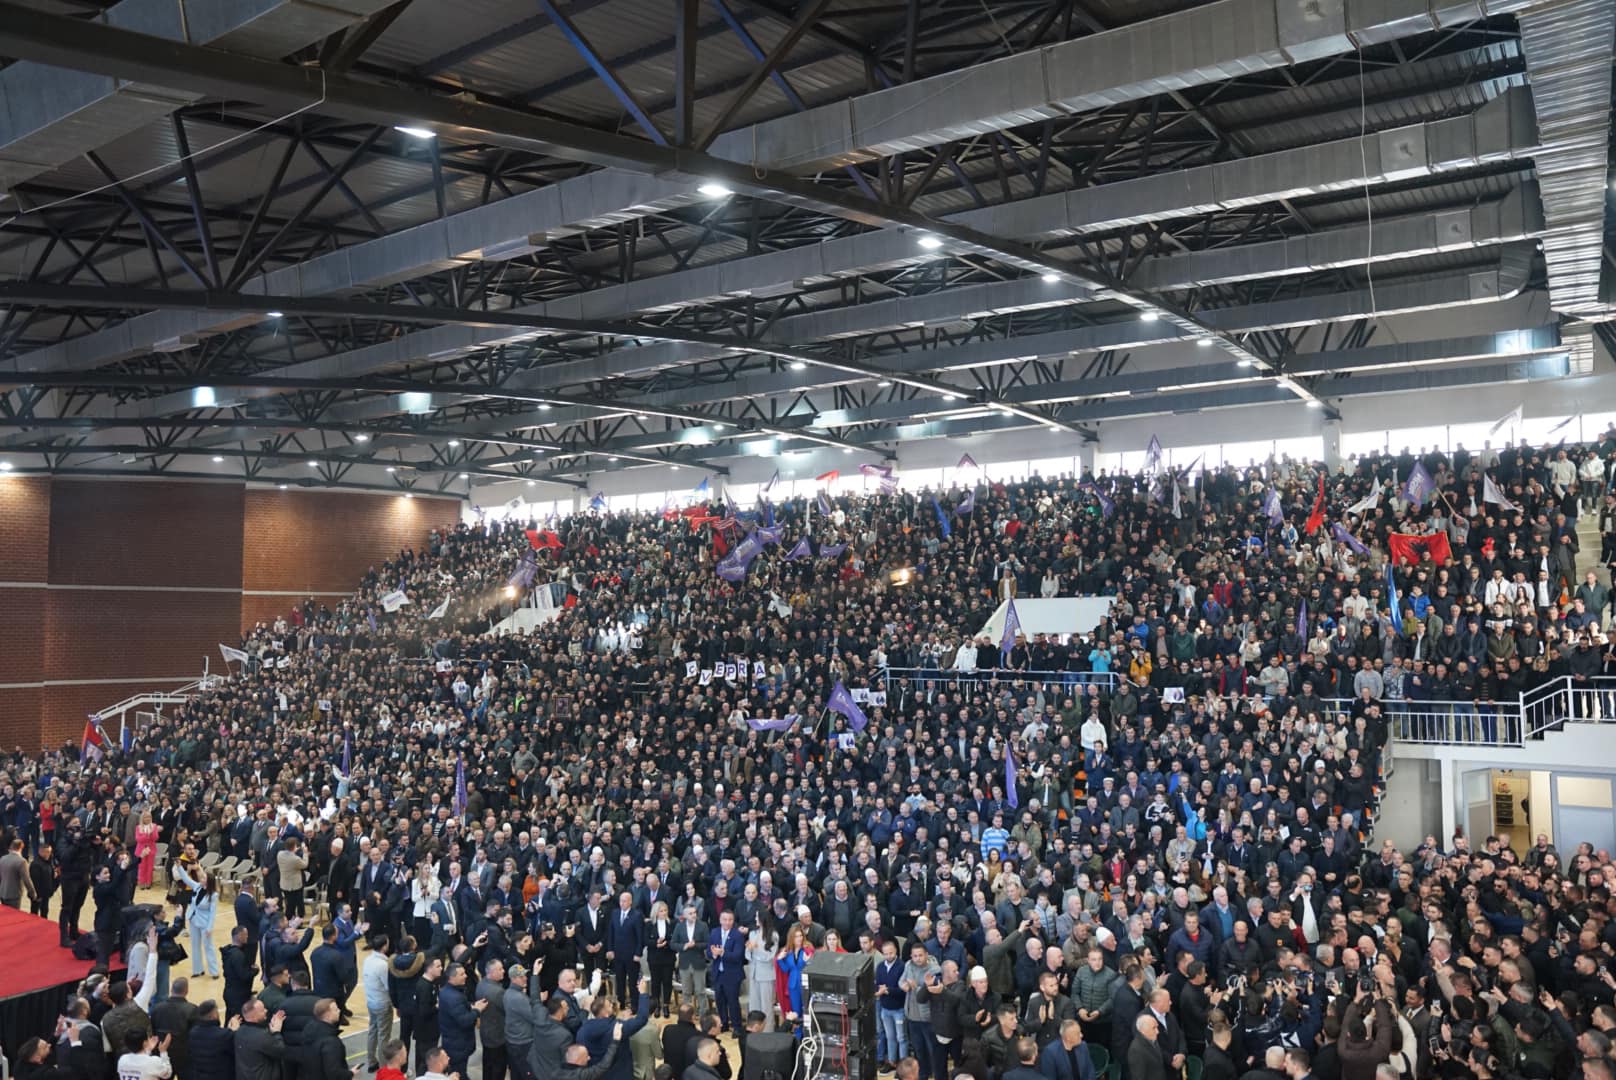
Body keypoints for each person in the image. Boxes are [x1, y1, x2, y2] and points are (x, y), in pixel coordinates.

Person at [437, 962, 485, 1079]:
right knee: (459, 1073)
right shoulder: (454, 997)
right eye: (462, 974)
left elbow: (460, 1009)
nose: (466, 976)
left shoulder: (447, 991)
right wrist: (477, 1011)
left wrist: (471, 1006)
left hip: (454, 1041)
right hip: (458, 1044)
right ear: (452, 978)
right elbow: (464, 1020)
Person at [707, 910, 746, 1034]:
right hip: (718, 973)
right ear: (720, 920)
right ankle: (723, 1023)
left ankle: (737, 1027)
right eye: (725, 919)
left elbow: (738, 955)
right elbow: (709, 951)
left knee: (732, 1001)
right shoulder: (714, 932)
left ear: (733, 921)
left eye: (730, 920)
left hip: (732, 974)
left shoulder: (737, 935)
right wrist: (713, 954)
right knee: (720, 1000)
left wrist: (723, 953)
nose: (727, 922)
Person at [362, 934, 396, 1073]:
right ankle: (384, 1067)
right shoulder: (383, 965)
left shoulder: (368, 959)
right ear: (384, 947)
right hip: (382, 1003)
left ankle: (371, 1061)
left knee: (372, 1031)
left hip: (371, 1001)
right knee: (383, 1036)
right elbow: (388, 986)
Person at [476, 957, 510, 1080]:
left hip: (486, 1032)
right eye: (500, 969)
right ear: (491, 972)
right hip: (497, 1035)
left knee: (488, 1066)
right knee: (498, 1069)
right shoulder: (497, 992)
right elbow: (507, 1009)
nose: (503, 971)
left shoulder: (481, 983)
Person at [1126, 1014, 1167, 1080]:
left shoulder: (1152, 1039)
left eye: (1157, 1027)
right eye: (1154, 1028)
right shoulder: (1136, 1050)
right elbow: (1138, 1077)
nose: (1157, 1032)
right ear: (1143, 1030)